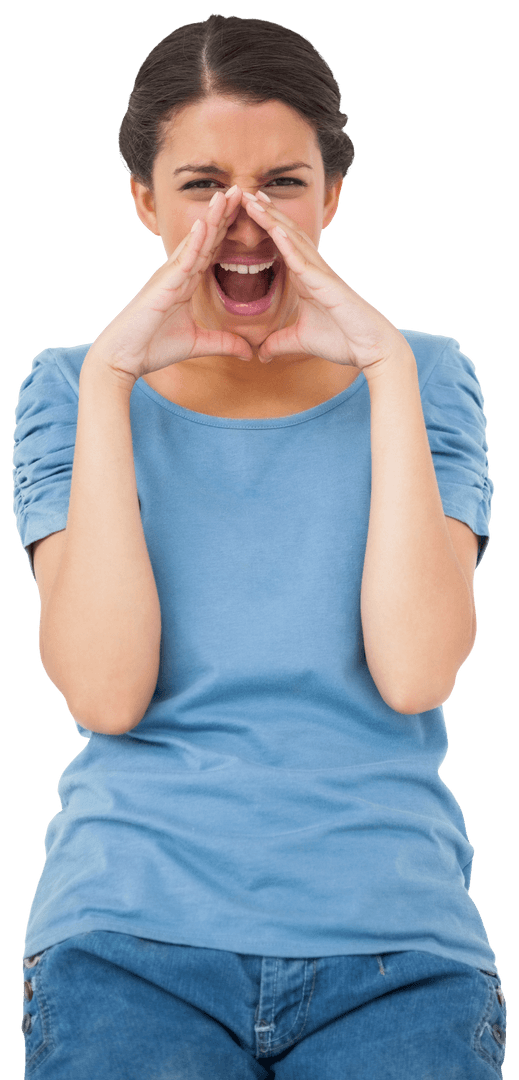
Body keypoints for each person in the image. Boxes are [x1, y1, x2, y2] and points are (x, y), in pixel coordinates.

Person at [12, 14, 507, 1079]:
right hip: (128, 943)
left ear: (332, 192)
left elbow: (416, 667)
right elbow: (105, 691)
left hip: (395, 950)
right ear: (143, 198)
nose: (243, 223)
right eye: (201, 186)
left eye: (282, 182)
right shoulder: (69, 386)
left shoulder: (422, 375)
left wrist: (381, 367)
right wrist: (112, 378)